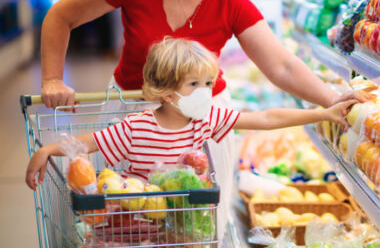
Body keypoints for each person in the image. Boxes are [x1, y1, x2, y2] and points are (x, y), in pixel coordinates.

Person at [38, 0, 364, 233]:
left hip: (202, 120)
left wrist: (332, 100)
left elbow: (281, 66)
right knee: (125, 223)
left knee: (196, 231)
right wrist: (51, 79)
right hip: (131, 117)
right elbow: (61, 16)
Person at [26, 38, 355, 190]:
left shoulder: (206, 119)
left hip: (188, 228)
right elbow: (89, 143)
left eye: (209, 83)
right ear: (166, 93)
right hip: (140, 227)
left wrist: (323, 113)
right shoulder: (135, 127)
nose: (205, 92)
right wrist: (46, 150)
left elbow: (266, 119)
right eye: (194, 84)